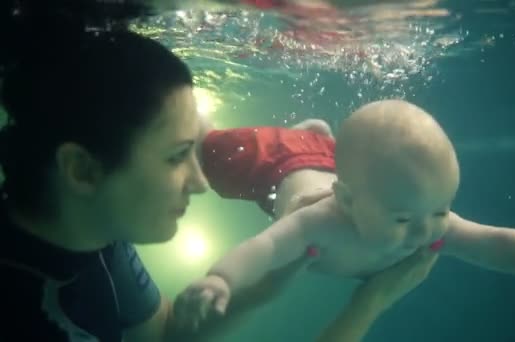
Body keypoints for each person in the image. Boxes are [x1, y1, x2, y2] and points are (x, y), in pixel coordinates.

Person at [0, 23, 437, 341]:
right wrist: (368, 305)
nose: (200, 183)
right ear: (81, 169)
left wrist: (264, 288)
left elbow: (163, 336)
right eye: (177, 156)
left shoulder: (97, 242)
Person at [182, 99, 515, 322]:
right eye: (403, 220)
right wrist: (221, 279)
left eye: (443, 210)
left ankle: (317, 137)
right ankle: (302, 136)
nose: (427, 231)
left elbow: (491, 242)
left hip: (336, 163)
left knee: (342, 155)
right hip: (278, 164)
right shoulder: (318, 222)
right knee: (210, 151)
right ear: (346, 202)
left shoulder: (412, 207)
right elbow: (266, 248)